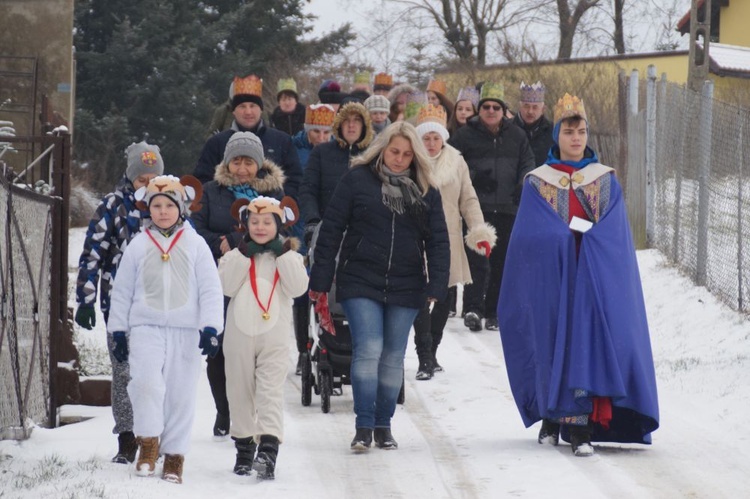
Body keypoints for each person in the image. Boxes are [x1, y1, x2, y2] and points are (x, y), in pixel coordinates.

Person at [497, 93, 660, 456]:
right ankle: (553, 415)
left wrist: (590, 241)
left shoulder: (605, 181)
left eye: (582, 131)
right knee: (553, 343)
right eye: (569, 131)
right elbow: (529, 234)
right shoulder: (538, 182)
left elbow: (615, 233)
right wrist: (560, 238)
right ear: (557, 135)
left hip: (592, 281)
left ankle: (581, 427)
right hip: (554, 279)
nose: (576, 138)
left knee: (586, 347)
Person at [308, 121, 450, 451]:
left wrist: (437, 283)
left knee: (392, 356)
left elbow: (438, 241)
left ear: (415, 156)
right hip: (360, 277)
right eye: (393, 151)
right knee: (369, 349)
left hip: (407, 281)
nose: (399, 159)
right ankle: (363, 426)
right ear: (382, 149)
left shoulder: (426, 188)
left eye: (406, 154)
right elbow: (332, 229)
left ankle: (383, 424)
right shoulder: (357, 179)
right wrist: (321, 278)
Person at [107, 174, 224, 484]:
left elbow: (211, 288)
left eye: (168, 205)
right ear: (148, 208)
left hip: (185, 331)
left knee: (180, 393)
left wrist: (211, 327)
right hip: (145, 326)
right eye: (156, 205)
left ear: (181, 208)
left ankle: (174, 455)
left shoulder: (196, 244)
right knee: (146, 384)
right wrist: (118, 330)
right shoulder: (138, 244)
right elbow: (122, 290)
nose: (162, 211)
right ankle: (148, 443)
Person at [74, 141, 164, 465]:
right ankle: (126, 437)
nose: (148, 185)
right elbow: (92, 254)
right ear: (131, 178)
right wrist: (85, 298)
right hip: (119, 306)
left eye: (153, 178)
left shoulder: (167, 205)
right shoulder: (113, 206)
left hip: (158, 306)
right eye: (142, 179)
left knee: (155, 373)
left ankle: (153, 434)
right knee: (123, 371)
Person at [192, 131, 286, 438]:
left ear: (258, 165)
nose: (242, 168)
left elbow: (286, 231)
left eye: (248, 162)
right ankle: (226, 408)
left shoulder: (273, 195)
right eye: (236, 161)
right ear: (227, 163)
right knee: (220, 350)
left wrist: (250, 241)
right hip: (221, 276)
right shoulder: (210, 191)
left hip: (260, 280)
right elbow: (195, 229)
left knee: (257, 347)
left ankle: (256, 411)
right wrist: (219, 242)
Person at [219, 195, 309, 480]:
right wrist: (242, 254)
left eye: (267, 222)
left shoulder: (289, 256)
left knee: (270, 390)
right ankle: (244, 448)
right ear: (245, 224)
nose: (260, 227)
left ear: (279, 225)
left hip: (275, 336)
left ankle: (268, 449)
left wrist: (283, 254)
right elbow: (226, 286)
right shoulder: (236, 255)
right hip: (239, 334)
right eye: (254, 222)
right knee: (240, 391)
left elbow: (297, 288)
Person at [412, 104, 496, 380]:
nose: (432, 143)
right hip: (414, 238)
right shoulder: (411, 161)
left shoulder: (457, 161)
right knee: (421, 298)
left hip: (447, 239)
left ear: (443, 137)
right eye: (426, 138)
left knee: (445, 296)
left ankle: (434, 351)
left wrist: (478, 231)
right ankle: (423, 355)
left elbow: (468, 199)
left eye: (436, 137)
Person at [449, 82, 535, 332]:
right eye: (485, 106)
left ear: (503, 109)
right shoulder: (465, 135)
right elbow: (451, 161)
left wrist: (523, 183)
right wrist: (476, 176)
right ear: (479, 110)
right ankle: (473, 308)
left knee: (500, 262)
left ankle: (494, 311)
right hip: (478, 208)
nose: (490, 110)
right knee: (478, 260)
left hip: (508, 208)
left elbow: (527, 161)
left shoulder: (517, 135)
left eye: (495, 107)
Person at [193, 75, 303, 198]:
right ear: (233, 111)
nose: (248, 112)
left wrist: (280, 203)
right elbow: (202, 180)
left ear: (261, 109)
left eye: (252, 106)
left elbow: (295, 180)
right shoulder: (216, 143)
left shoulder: (282, 140)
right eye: (242, 106)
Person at [289, 103, 335, 375]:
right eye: (316, 131)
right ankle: (302, 348)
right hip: (300, 226)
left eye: (326, 132)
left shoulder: (333, 153)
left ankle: (328, 342)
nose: (321, 137)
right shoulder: (295, 151)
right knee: (302, 292)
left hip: (328, 224)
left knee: (327, 289)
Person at [299, 102, 374, 245]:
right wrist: (312, 221)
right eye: (347, 120)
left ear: (364, 125)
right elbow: (308, 190)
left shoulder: (374, 154)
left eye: (357, 120)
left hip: (365, 235)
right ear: (339, 124)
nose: (351, 125)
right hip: (327, 230)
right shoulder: (321, 152)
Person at [511, 81, 554, 167]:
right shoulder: (507, 129)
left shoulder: (553, 131)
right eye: (526, 106)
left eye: (535, 107)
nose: (530, 111)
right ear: (520, 107)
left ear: (543, 109)